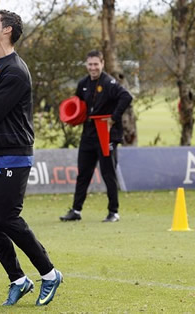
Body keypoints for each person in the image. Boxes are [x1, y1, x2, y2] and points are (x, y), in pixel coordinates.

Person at [0, 10, 63, 306]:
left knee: (8, 217)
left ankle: (49, 274)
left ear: (7, 30)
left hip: (13, 153)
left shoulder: (16, 71)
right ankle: (18, 279)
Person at [59, 50, 132, 223]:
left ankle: (113, 212)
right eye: (90, 64)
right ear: (86, 65)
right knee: (83, 174)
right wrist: (72, 117)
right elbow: (77, 105)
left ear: (102, 63)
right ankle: (76, 211)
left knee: (108, 173)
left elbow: (126, 97)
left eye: (96, 64)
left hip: (106, 135)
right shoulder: (83, 83)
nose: (93, 68)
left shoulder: (110, 83)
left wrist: (113, 118)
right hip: (88, 135)